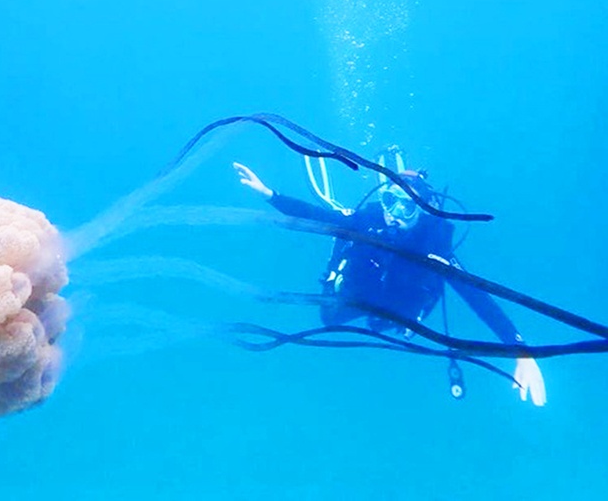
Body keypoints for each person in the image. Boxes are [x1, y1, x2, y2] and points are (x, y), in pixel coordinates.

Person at [233, 153, 547, 406]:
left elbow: (476, 295)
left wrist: (519, 348)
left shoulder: (433, 246)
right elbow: (317, 216)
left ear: (422, 211)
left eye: (406, 207)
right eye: (388, 201)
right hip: (360, 293)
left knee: (398, 324)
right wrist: (269, 195)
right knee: (329, 317)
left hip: (401, 308)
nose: (393, 214)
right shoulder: (367, 219)